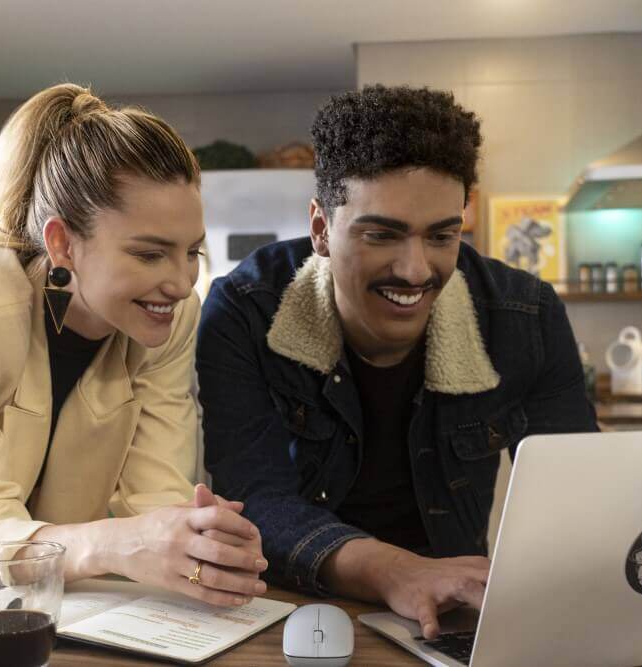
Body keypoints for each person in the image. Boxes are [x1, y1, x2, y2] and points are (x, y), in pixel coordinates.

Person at [0, 83, 266, 607]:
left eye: (191, 251)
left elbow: (154, 495)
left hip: (43, 599)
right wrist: (118, 543)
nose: (181, 281)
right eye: (150, 254)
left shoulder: (170, 319)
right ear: (62, 244)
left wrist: (196, 547)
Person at [196, 85, 598, 635]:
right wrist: (396, 571)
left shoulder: (522, 316)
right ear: (320, 229)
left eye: (441, 235)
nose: (415, 270)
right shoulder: (247, 310)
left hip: (450, 616)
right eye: (382, 234)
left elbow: (579, 493)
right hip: (292, 614)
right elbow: (254, 500)